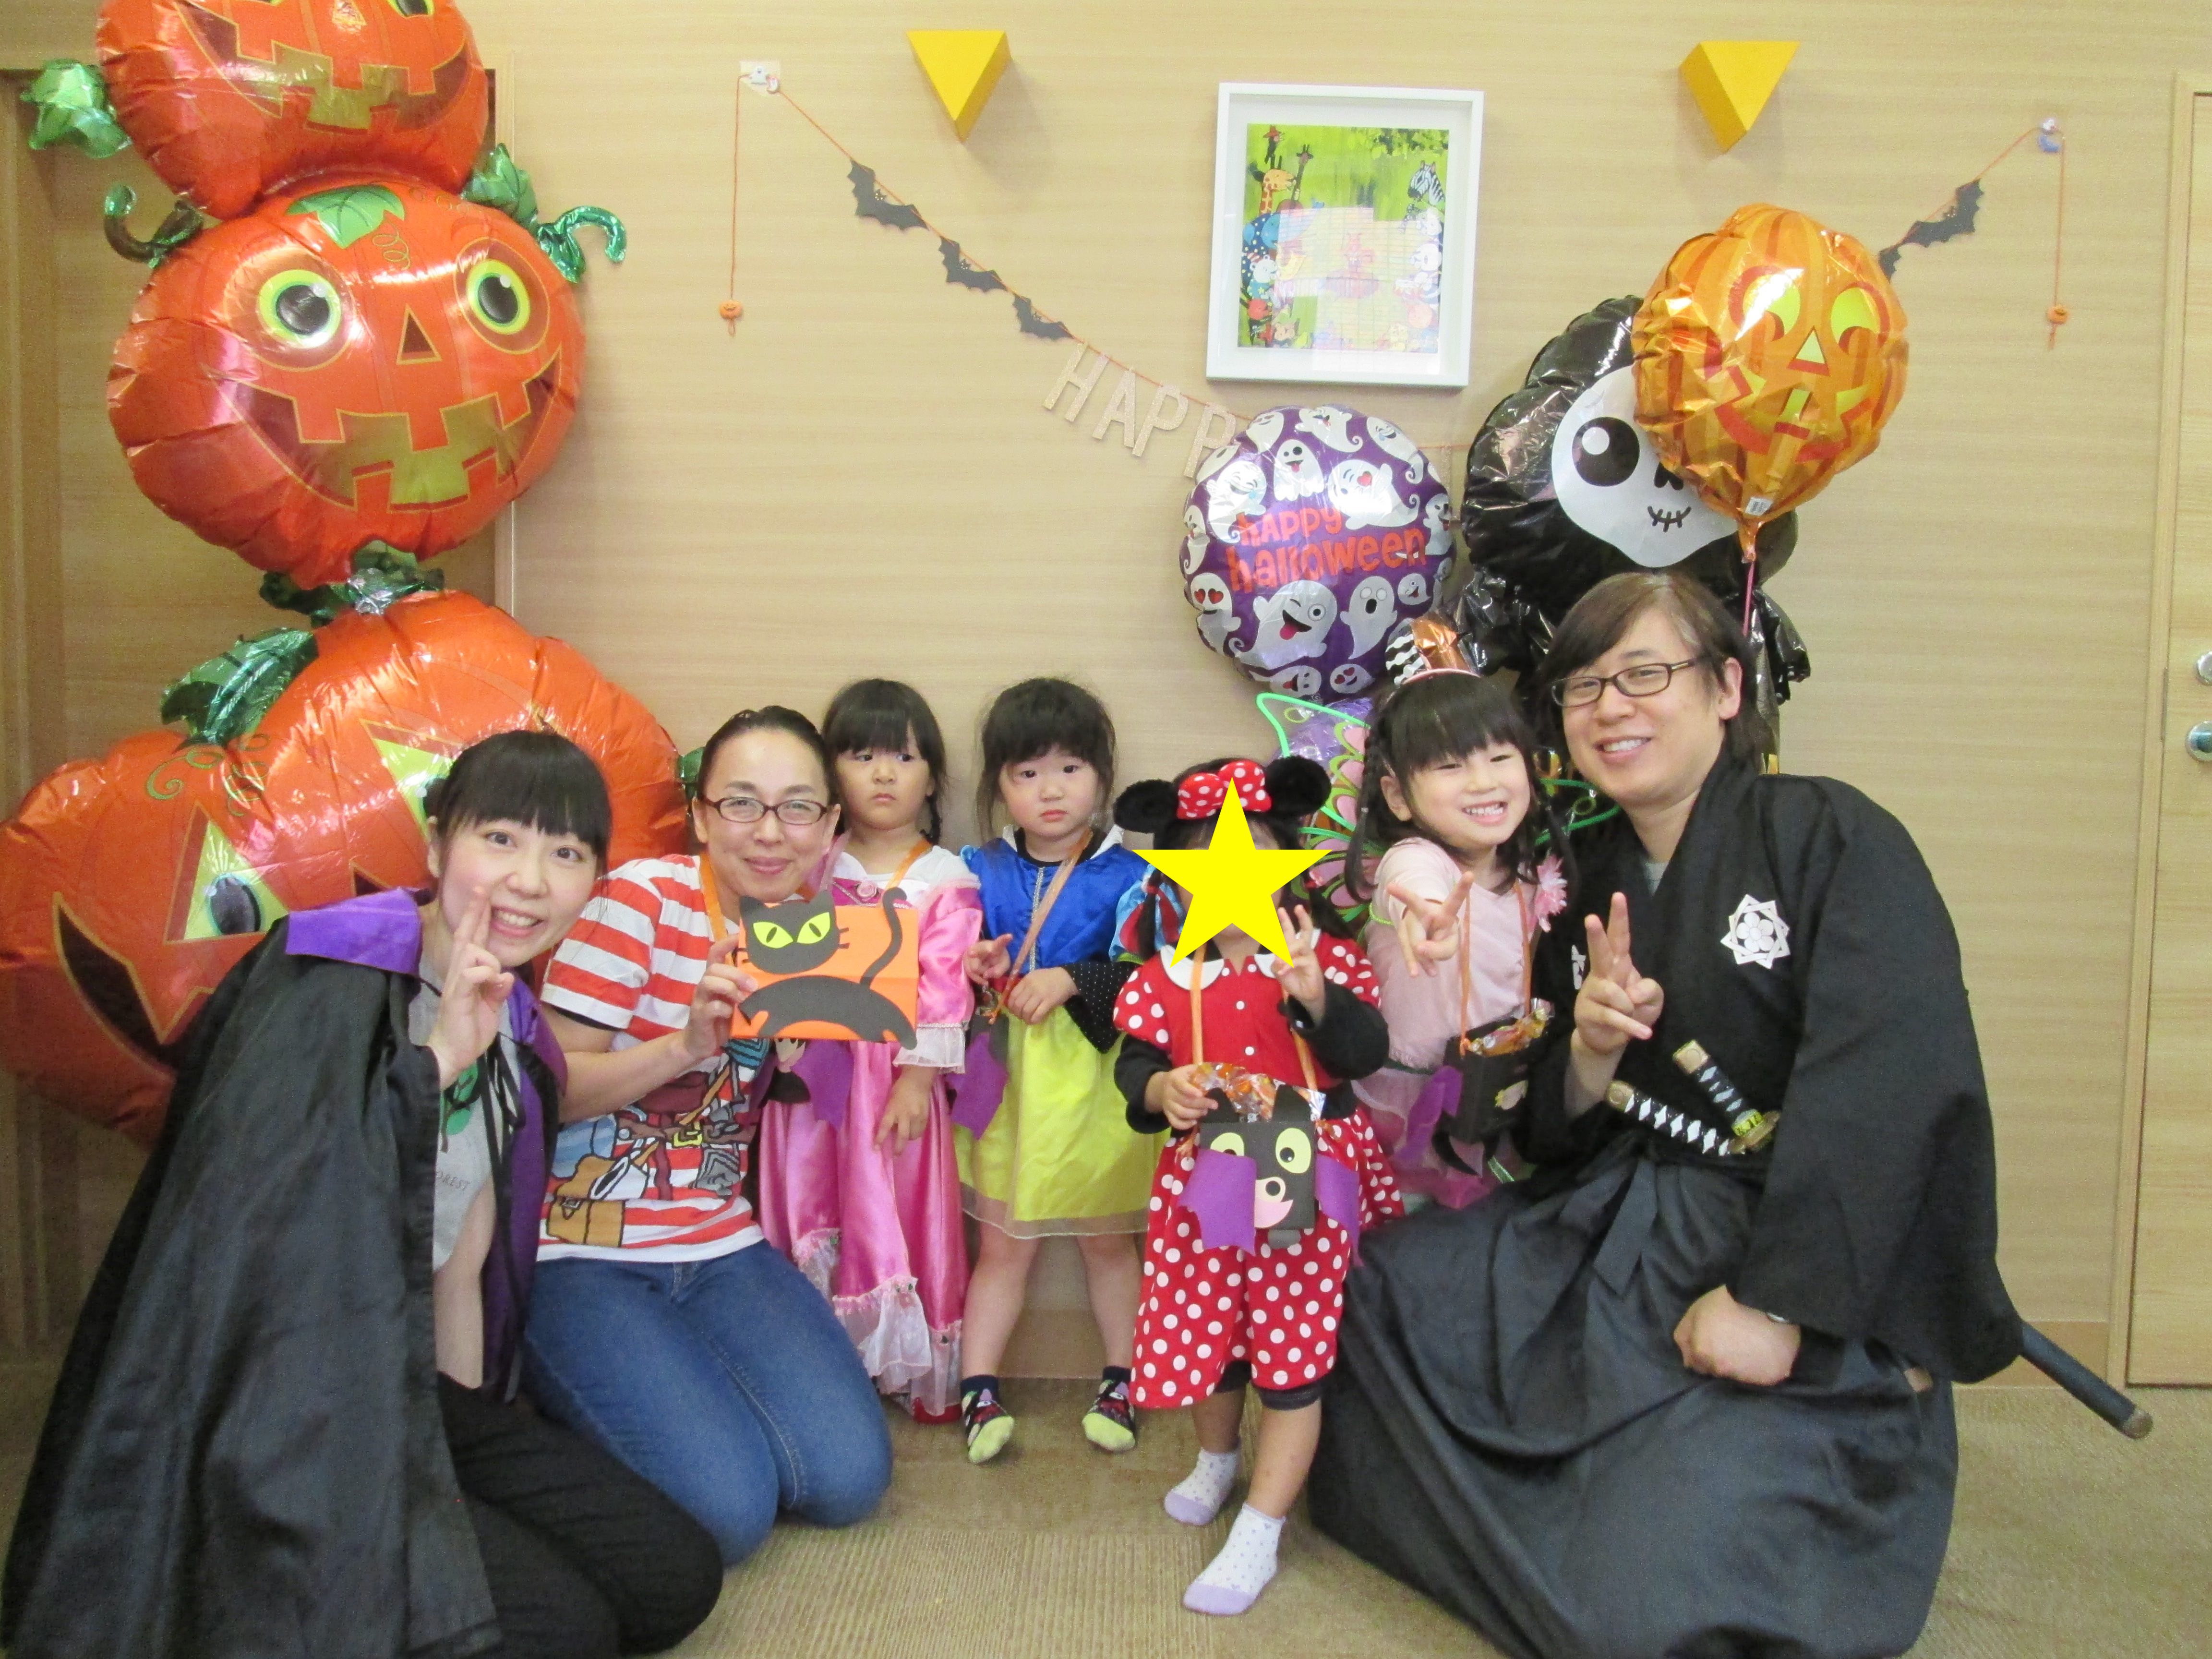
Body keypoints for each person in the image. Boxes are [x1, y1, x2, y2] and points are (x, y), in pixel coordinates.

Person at [1309, 571, 2023, 1659]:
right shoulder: (1578, 876)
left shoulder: (1829, 832)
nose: (1610, 708)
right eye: (1583, 686)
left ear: (1727, 688)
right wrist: (1588, 1052)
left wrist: (1775, 1300)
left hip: (1779, 1239)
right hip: (1620, 1219)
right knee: (1375, 1289)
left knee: (1643, 1612)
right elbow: (1549, 1132)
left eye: (1643, 674)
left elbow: (1892, 1075)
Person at [1, 731, 722, 1659]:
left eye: (566, 852)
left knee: (670, 1576)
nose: (530, 881)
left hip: (407, 1382)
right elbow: (274, 1197)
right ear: (437, 843)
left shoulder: (514, 1017)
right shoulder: (322, 976)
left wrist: (453, 1447)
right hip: (283, 1393)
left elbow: (466, 1247)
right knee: (560, 1627)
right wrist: (437, 1063)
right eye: (500, 838)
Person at [526, 707, 893, 1565]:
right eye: (741, 803)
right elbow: (548, 1092)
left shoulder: (817, 927)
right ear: (699, 814)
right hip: (580, 1251)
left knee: (848, 1481)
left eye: (797, 807)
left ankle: (669, 1385)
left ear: (829, 826)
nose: (769, 832)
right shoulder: (640, 901)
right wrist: (685, 1046)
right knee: (728, 1516)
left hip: (720, 1242)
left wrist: (975, 981)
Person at [1109, 757, 1403, 1615]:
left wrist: (1315, 998)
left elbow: (1364, 1053)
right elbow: (1134, 1068)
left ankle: (1262, 1528)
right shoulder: (1164, 977)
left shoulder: (1328, 961)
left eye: (1253, 854)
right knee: (1213, 1336)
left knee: (1290, 1354)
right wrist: (1161, 1091)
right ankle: (1216, 1458)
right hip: (1203, 1179)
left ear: (1288, 866)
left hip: (1301, 1165)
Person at [755, 679, 982, 1421]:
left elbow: (945, 987)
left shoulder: (945, 877)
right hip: (811, 1073)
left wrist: (917, 1080)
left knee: (892, 1205)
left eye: (904, 757)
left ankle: (902, 1370)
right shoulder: (809, 864)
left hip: (894, 1078)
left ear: (933, 777)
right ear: (830, 773)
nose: (884, 774)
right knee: (808, 1201)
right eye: (861, 756)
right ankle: (813, 1368)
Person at [951, 677, 1158, 1463]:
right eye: (1027, 771)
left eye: (1070, 768)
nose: (1050, 789)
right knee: (1003, 1248)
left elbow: (1151, 980)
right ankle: (978, 1388)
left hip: (1095, 1079)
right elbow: (943, 974)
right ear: (998, 784)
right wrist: (975, 965)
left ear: (1101, 777)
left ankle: (1123, 1380)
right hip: (1006, 1077)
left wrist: (1074, 978)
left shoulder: (1132, 875)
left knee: (1108, 1244)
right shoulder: (976, 869)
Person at [1342, 670, 1570, 1207]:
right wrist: (1423, 918)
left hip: (1492, 1088)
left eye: (1500, 757)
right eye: (1450, 766)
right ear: (1398, 796)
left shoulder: (1531, 878)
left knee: (1480, 1216)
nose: (1483, 782)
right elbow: (1411, 887)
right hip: (1408, 1103)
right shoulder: (1417, 860)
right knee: (1400, 1222)